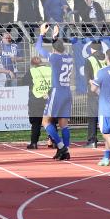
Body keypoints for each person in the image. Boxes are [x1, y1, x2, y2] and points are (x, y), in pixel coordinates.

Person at [34, 23, 74, 160]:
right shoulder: (69, 57)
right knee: (64, 125)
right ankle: (65, 151)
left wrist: (41, 33)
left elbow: (38, 47)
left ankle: (62, 146)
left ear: (53, 48)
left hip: (57, 92)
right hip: (67, 92)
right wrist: (56, 37)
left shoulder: (54, 58)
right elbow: (58, 47)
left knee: (46, 122)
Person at [22, 56, 51, 149]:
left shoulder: (32, 71)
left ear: (32, 64)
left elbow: (24, 82)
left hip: (37, 98)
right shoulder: (49, 69)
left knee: (36, 122)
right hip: (49, 97)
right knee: (50, 121)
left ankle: (34, 143)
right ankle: (53, 141)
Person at [83, 42, 107, 147]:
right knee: (105, 116)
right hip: (106, 91)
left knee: (92, 116)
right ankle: (108, 138)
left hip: (94, 91)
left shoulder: (89, 59)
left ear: (92, 49)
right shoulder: (106, 58)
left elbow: (89, 78)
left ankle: (92, 140)